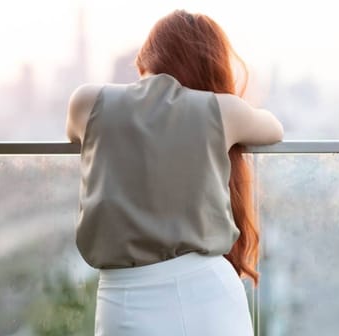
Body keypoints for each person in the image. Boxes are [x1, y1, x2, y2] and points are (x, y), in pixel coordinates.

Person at [65, 9, 283, 335]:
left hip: (126, 302)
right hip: (211, 294)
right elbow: (274, 129)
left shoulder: (87, 101)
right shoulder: (222, 110)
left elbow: (75, 135)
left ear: (145, 58)